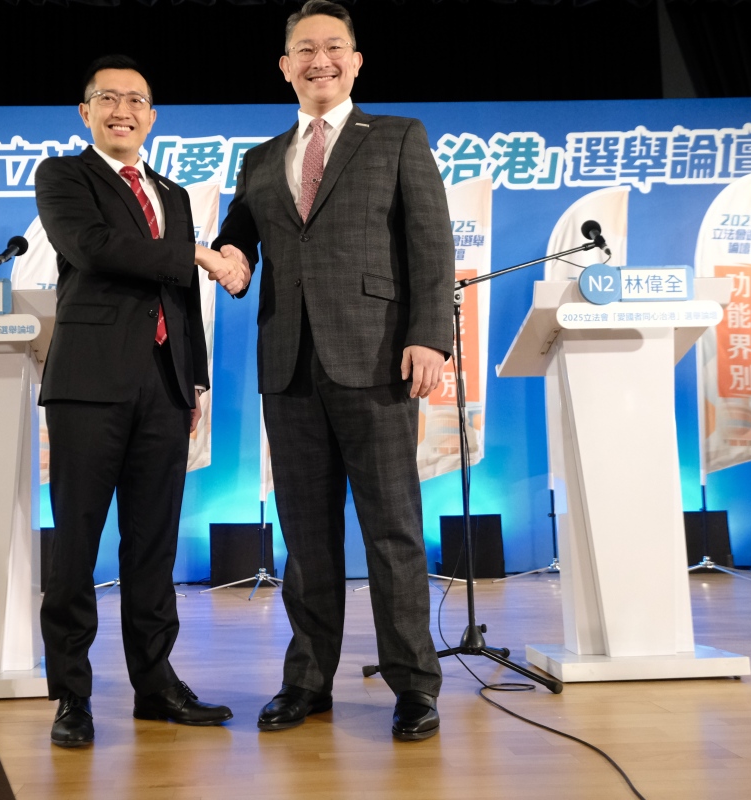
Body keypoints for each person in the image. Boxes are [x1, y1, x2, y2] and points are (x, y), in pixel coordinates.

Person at [214, 1, 453, 741]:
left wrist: (429, 337)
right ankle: (307, 682)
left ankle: (413, 686)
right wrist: (230, 258)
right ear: (285, 66)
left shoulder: (399, 137)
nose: (320, 60)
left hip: (377, 358)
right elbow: (239, 236)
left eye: (334, 47)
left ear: (356, 61)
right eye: (305, 49)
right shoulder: (260, 160)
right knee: (306, 538)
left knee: (393, 531)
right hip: (289, 366)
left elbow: (431, 242)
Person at [34, 54, 246, 748]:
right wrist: (197, 254)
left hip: (164, 387)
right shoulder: (64, 176)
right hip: (89, 385)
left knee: (153, 545)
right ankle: (72, 695)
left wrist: (193, 379)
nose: (122, 110)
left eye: (136, 100)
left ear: (152, 117)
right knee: (75, 545)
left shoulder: (173, 194)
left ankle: (155, 685)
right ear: (85, 111)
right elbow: (94, 248)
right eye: (108, 98)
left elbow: (182, 301)